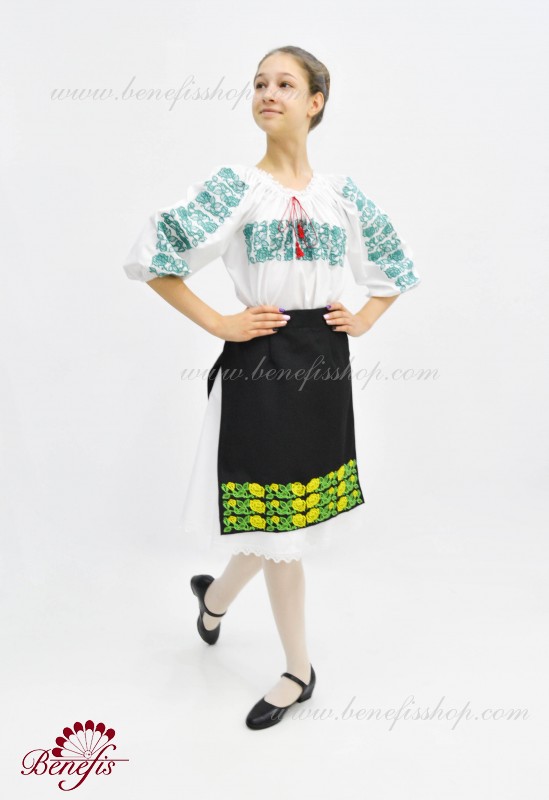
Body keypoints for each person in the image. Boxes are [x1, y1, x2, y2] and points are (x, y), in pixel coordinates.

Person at [122, 45, 421, 730]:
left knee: (280, 524)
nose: (268, 93)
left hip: (323, 361)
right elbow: (155, 254)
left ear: (315, 102)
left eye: (285, 84)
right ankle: (298, 671)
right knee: (277, 526)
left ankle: (212, 603)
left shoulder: (339, 195)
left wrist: (366, 316)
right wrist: (220, 322)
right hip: (259, 361)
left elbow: (394, 263)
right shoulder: (237, 188)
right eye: (260, 83)